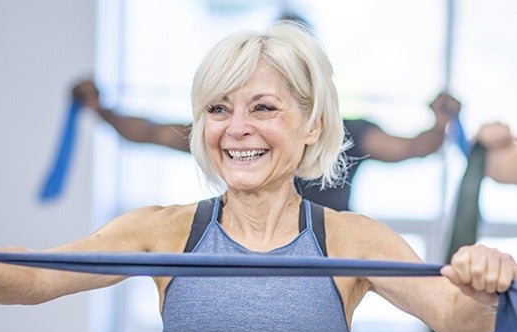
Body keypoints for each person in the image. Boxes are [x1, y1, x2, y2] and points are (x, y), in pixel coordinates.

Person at [0, 22, 516, 332]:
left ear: (311, 125)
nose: (237, 129)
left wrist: (488, 282)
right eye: (219, 109)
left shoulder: (349, 241)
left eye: (262, 108)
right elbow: (39, 275)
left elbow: (453, 317)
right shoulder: (167, 230)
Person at [71, 80, 461, 213]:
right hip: (252, 260)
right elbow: (151, 132)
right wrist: (100, 108)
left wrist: (442, 122)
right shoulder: (236, 128)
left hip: (326, 268)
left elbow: (414, 147)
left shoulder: (348, 132)